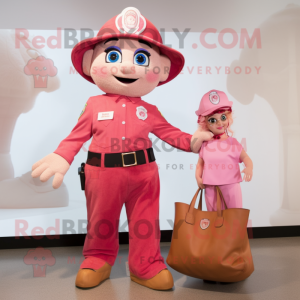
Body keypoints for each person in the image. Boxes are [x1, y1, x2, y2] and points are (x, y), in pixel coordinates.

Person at [31, 7, 211, 290]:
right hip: (102, 173)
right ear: (92, 62)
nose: (127, 67)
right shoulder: (94, 105)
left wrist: (195, 141)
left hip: (144, 175)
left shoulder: (149, 109)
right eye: (113, 56)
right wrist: (61, 156)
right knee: (101, 220)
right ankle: (97, 260)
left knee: (146, 222)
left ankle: (146, 264)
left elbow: (170, 133)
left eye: (140, 59)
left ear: (160, 70)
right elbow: (76, 136)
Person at [195, 90, 253, 211]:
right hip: (210, 187)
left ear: (228, 118)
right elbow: (200, 164)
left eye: (223, 117)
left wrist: (249, 167)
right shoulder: (205, 144)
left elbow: (246, 158)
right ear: (205, 122)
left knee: (234, 218)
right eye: (212, 120)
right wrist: (198, 177)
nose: (219, 123)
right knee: (213, 220)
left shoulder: (233, 143)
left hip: (231, 187)